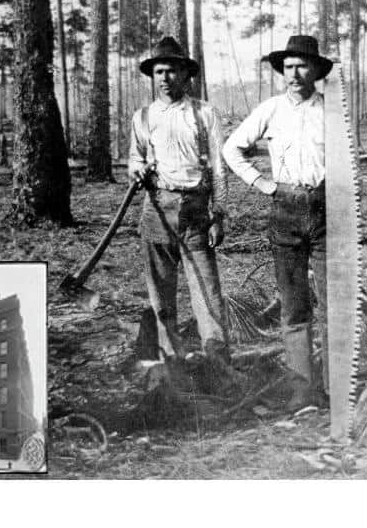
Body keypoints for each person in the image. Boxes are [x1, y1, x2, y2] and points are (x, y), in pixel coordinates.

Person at [223, 35, 332, 410]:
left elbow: (351, 166)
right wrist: (264, 185)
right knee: (294, 304)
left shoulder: (332, 111)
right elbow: (231, 148)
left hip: (325, 211)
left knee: (333, 303)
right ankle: (303, 390)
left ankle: (334, 390)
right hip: (284, 210)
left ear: (316, 71)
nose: (295, 73)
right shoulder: (270, 109)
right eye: (288, 67)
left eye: (303, 66)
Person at [128, 36, 230, 366]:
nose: (165, 78)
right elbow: (135, 158)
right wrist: (138, 168)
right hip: (157, 208)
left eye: (172, 71)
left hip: (196, 210)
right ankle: (171, 360)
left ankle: (218, 359)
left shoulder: (204, 114)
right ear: (152, 76)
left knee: (207, 289)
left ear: (186, 74)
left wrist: (220, 213)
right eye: (159, 72)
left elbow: (219, 167)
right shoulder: (142, 117)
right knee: (160, 291)